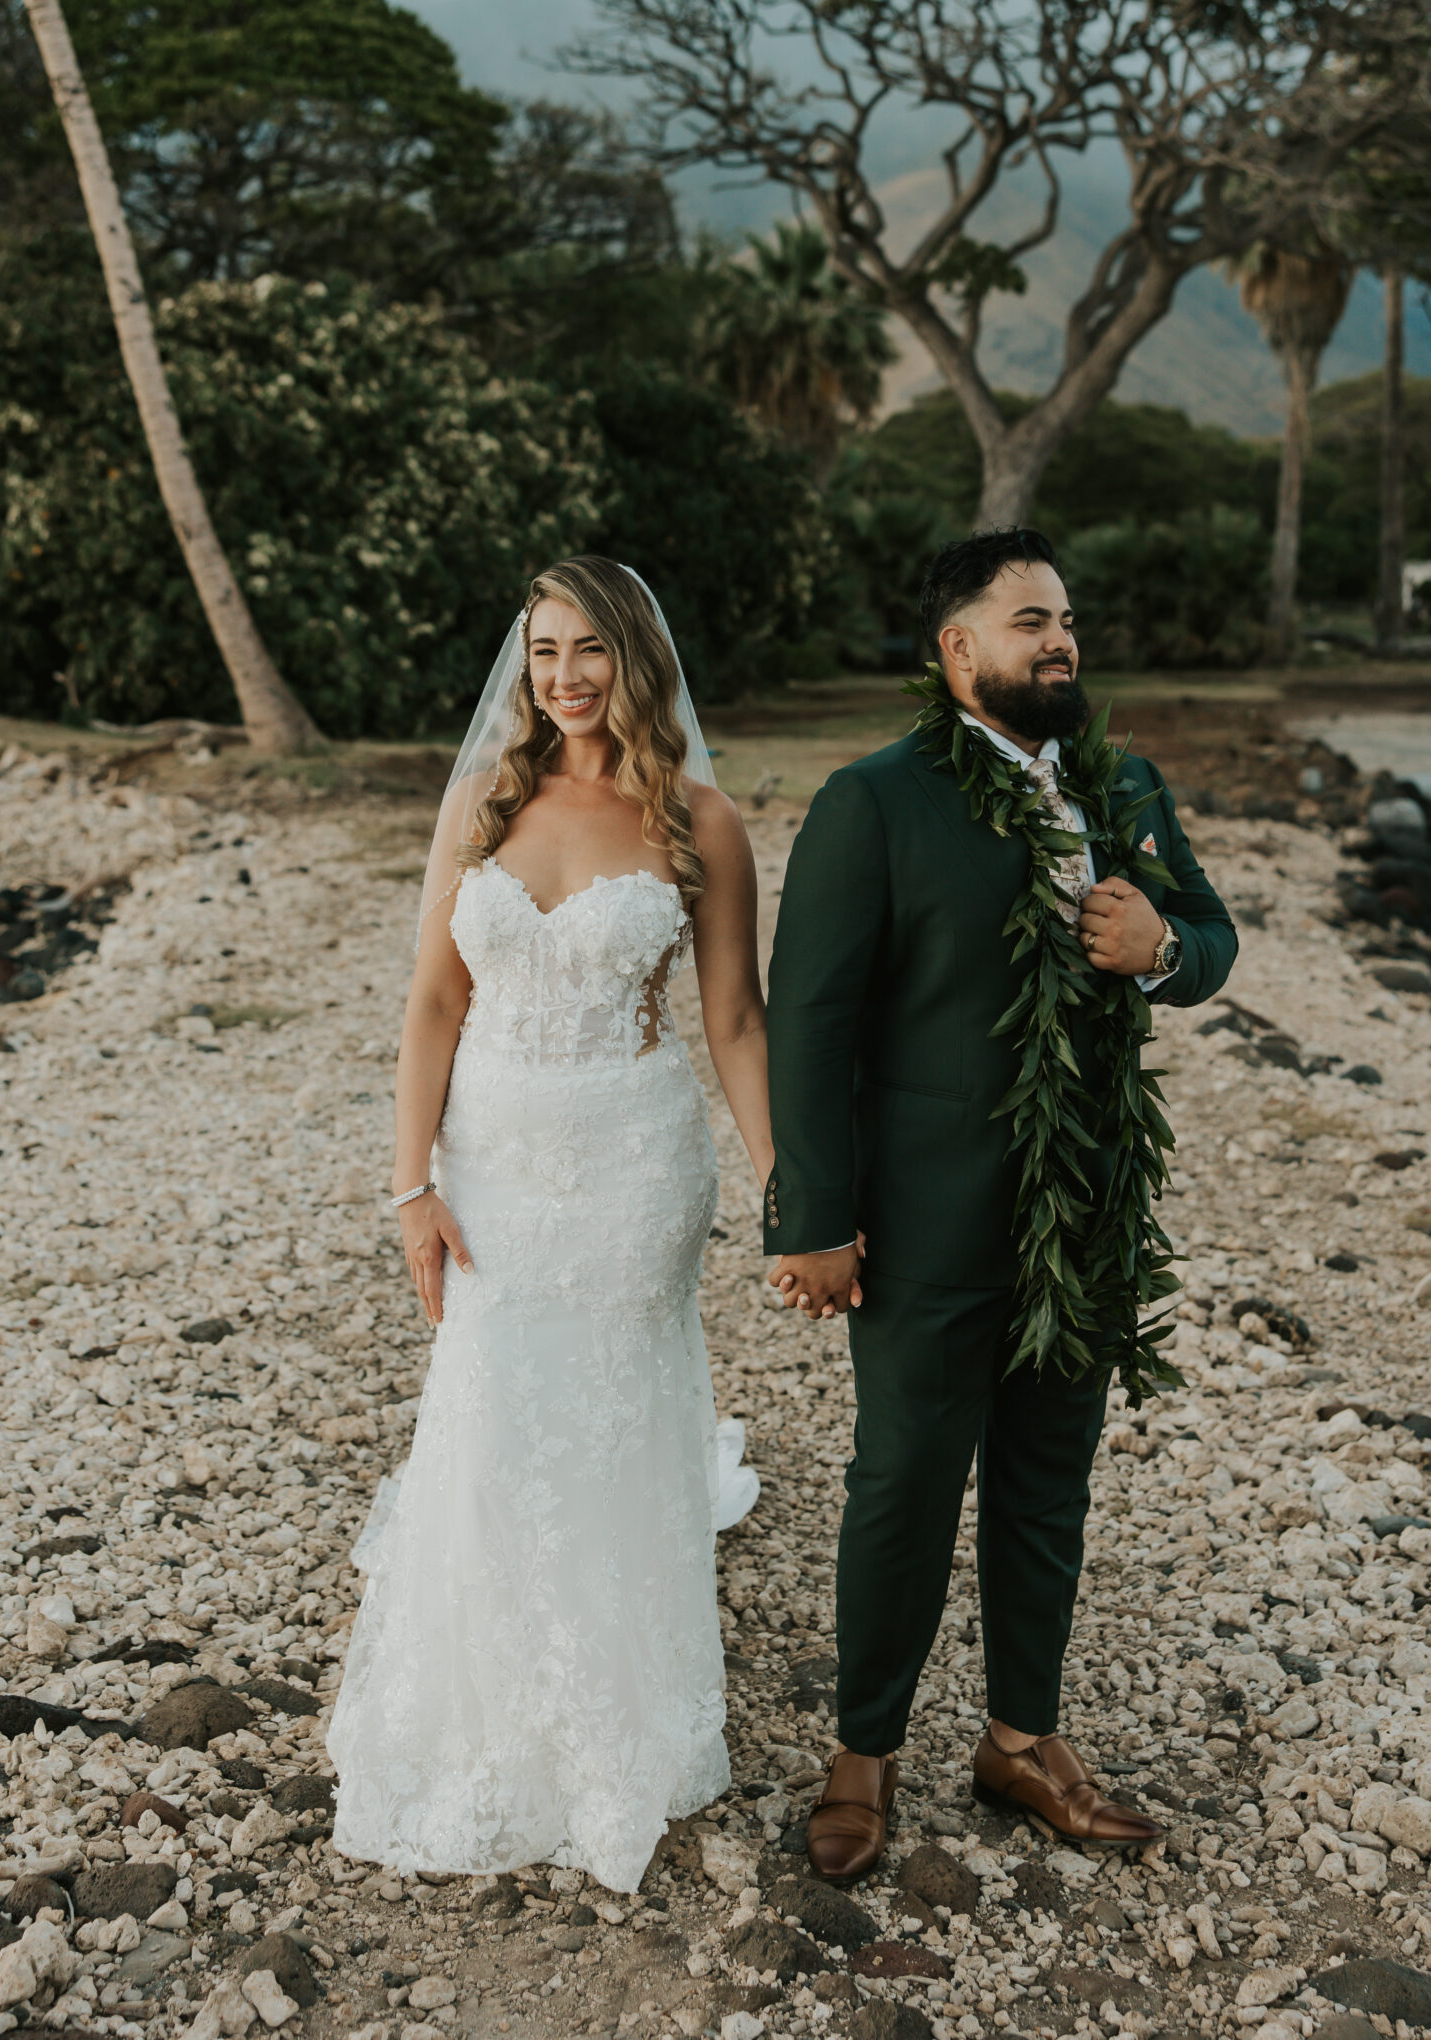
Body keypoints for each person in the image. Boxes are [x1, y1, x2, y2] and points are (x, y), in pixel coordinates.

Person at [763, 528, 1237, 1881]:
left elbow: (1211, 937)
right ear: (956, 648)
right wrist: (812, 1213)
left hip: (1084, 1208)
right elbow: (812, 1017)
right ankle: (865, 1751)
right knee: (903, 1484)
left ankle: (1022, 1741)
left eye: (1067, 619)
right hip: (925, 1218)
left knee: (1047, 1486)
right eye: (1031, 621)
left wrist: (1161, 953)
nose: (1061, 641)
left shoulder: (1122, 782)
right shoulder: (878, 800)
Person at [328, 556, 769, 1893]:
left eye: (588, 650)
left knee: (616, 1426)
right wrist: (411, 1187)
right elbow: (430, 1006)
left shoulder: (704, 819)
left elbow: (735, 1021)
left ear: (635, 656)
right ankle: (478, 1710)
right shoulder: (481, 801)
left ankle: (612, 1723)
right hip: (494, 1162)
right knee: (491, 1412)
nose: (564, 677)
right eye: (541, 653)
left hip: (633, 1165)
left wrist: (785, 1182)